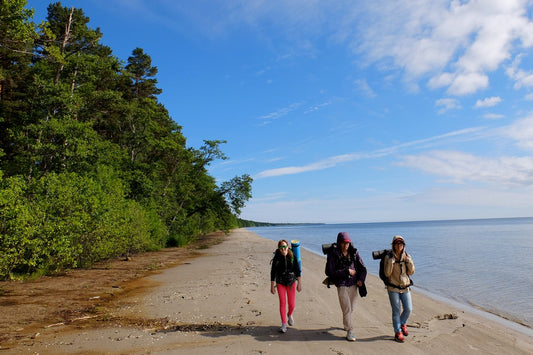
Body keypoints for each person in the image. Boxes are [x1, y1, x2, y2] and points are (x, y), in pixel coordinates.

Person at [325, 232, 367, 341]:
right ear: (339, 243)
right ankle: (350, 330)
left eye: (347, 243)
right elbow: (330, 272)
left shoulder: (354, 253)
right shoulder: (333, 254)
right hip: (341, 284)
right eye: (343, 243)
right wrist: (345, 271)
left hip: (353, 284)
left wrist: (361, 280)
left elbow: (363, 269)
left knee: (351, 308)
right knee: (347, 308)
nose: (345, 245)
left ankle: (346, 323)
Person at [384, 235, 415, 343]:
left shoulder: (407, 256)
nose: (399, 245)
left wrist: (409, 261)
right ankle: (398, 332)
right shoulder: (388, 257)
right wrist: (391, 263)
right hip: (393, 287)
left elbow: (411, 272)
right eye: (397, 243)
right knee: (396, 311)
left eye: (401, 243)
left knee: (408, 309)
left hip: (405, 287)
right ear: (393, 245)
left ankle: (402, 324)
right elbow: (387, 273)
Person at [270, 239, 302, 333]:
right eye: (281, 247)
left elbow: (297, 270)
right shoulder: (277, 258)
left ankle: (289, 314)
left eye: (284, 247)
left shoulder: (292, 256)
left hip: (291, 283)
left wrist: (299, 283)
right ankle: (284, 324)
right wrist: (272, 286)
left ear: (287, 247)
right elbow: (273, 272)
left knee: (292, 304)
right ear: (279, 248)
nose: (283, 249)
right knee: (282, 303)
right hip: (280, 283)